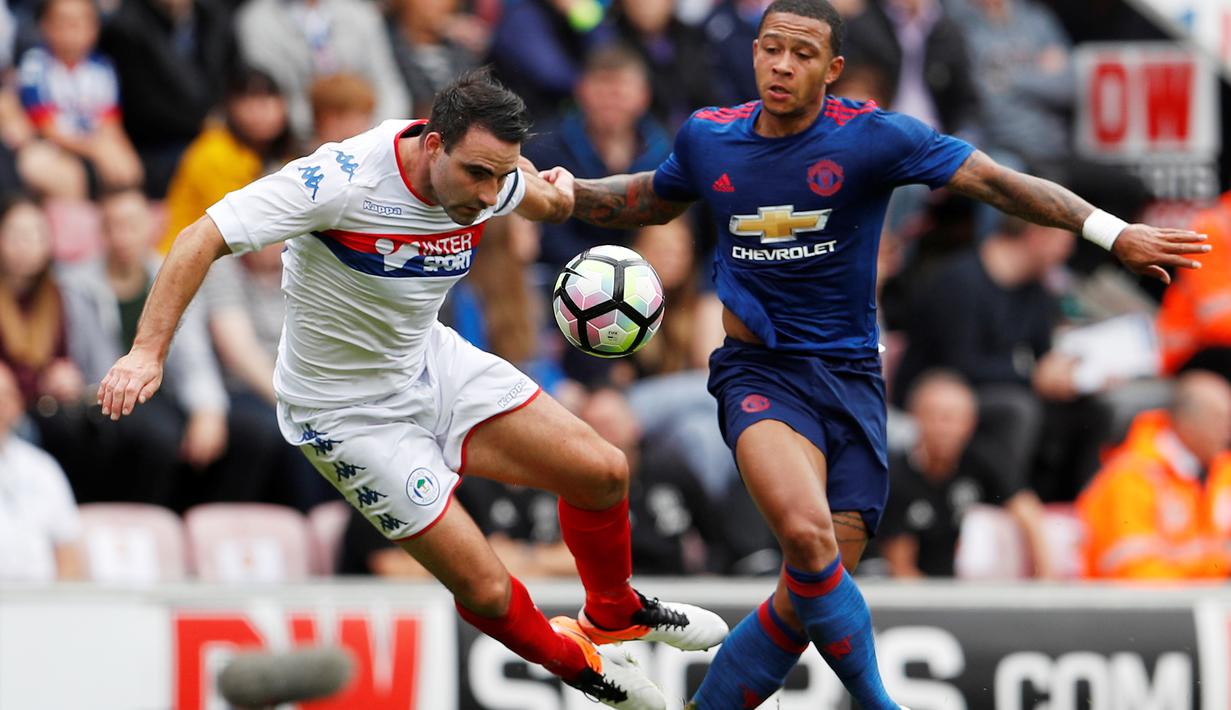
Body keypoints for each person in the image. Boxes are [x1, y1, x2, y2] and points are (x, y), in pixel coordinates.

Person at [567, 2, 1208, 707]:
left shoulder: (872, 138)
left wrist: (1109, 232)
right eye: (770, 48)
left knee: (801, 598)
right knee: (808, 541)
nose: (781, 64)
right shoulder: (708, 138)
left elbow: (997, 182)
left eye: (801, 54)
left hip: (850, 380)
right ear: (753, 53)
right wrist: (558, 194)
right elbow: (646, 200)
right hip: (759, 374)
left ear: (832, 69)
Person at [95, 70, 727, 710]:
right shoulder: (341, 179)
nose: (487, 195)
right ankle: (582, 665)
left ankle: (614, 613)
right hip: (343, 415)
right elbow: (200, 236)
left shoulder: (494, 178)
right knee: (485, 588)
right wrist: (147, 352)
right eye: (477, 174)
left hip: (428, 363)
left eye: (498, 177)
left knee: (603, 471)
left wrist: (575, 194)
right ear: (432, 144)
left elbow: (547, 198)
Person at [878, 370, 1051, 578]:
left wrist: (1045, 577)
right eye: (933, 417)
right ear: (915, 417)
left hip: (967, 579)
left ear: (970, 422)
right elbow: (902, 569)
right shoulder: (896, 475)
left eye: (952, 419)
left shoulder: (981, 457)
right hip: (911, 588)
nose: (943, 428)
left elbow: (1026, 509)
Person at [1077, 371, 1231, 579]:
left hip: (1208, 603)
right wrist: (1216, 566)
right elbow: (1136, 573)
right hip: (1135, 607)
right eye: (1220, 419)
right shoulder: (1131, 478)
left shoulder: (1222, 472)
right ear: (1187, 422)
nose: (1227, 431)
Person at [0, 360, 85, 583]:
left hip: (42, 604)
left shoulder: (42, 468)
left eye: (6, 397)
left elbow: (68, 552)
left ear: (18, 404)